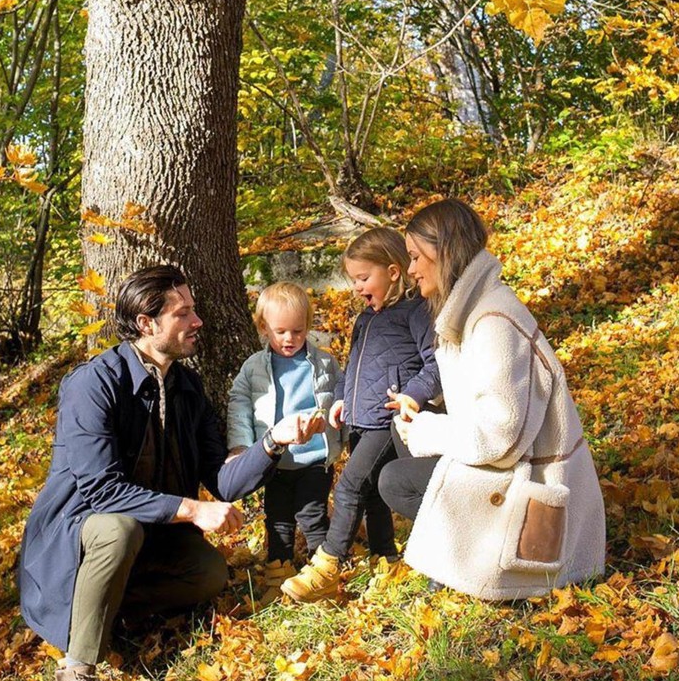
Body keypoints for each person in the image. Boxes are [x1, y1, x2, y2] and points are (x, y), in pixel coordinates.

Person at [17, 265, 323, 681]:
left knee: (209, 574)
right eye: (184, 313)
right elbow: (101, 491)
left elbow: (222, 481)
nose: (198, 321)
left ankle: (104, 611)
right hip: (76, 536)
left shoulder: (185, 386)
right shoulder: (93, 385)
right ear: (147, 324)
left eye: (194, 309)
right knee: (118, 528)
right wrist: (191, 509)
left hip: (151, 535)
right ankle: (77, 675)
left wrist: (273, 443)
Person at [379, 198, 606, 598]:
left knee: (394, 480)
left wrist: (432, 430)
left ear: (443, 252)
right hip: (511, 461)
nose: (411, 270)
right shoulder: (472, 311)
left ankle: (467, 561)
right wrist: (424, 418)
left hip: (530, 484)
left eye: (416, 257)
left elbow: (501, 438)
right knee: (404, 435)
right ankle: (454, 554)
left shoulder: (492, 322)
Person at [281, 228, 441, 602]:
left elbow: (436, 364)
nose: (356, 287)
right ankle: (385, 557)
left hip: (390, 420)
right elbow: (352, 367)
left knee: (351, 484)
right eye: (353, 279)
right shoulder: (365, 319)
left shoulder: (415, 312)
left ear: (393, 271)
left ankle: (327, 565)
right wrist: (340, 398)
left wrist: (411, 397)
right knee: (371, 495)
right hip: (358, 418)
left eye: (363, 278)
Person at [226, 282, 342, 589]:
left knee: (313, 512)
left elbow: (342, 396)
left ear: (307, 327)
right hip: (275, 460)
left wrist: (342, 427)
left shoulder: (324, 362)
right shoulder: (254, 367)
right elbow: (239, 406)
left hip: (314, 457)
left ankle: (323, 569)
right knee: (277, 516)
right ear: (264, 327)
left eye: (298, 331)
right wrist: (240, 445)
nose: (289, 339)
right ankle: (278, 567)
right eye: (281, 332)